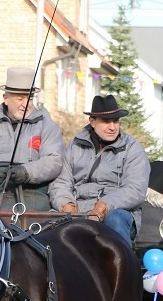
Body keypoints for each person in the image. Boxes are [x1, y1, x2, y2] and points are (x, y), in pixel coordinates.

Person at [49, 94, 149, 243]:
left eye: (116, 121)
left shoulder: (133, 148)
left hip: (117, 210)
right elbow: (61, 182)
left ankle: (124, 264)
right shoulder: (74, 145)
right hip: (78, 208)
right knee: (45, 224)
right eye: (106, 121)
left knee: (115, 219)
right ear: (92, 121)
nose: (113, 127)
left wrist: (104, 205)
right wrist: (66, 205)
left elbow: (135, 189)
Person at [0, 67, 65, 212]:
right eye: (20, 98)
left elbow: (54, 160)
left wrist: (27, 172)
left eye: (30, 98)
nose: (26, 103)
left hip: (32, 192)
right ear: (6, 99)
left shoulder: (47, 126)